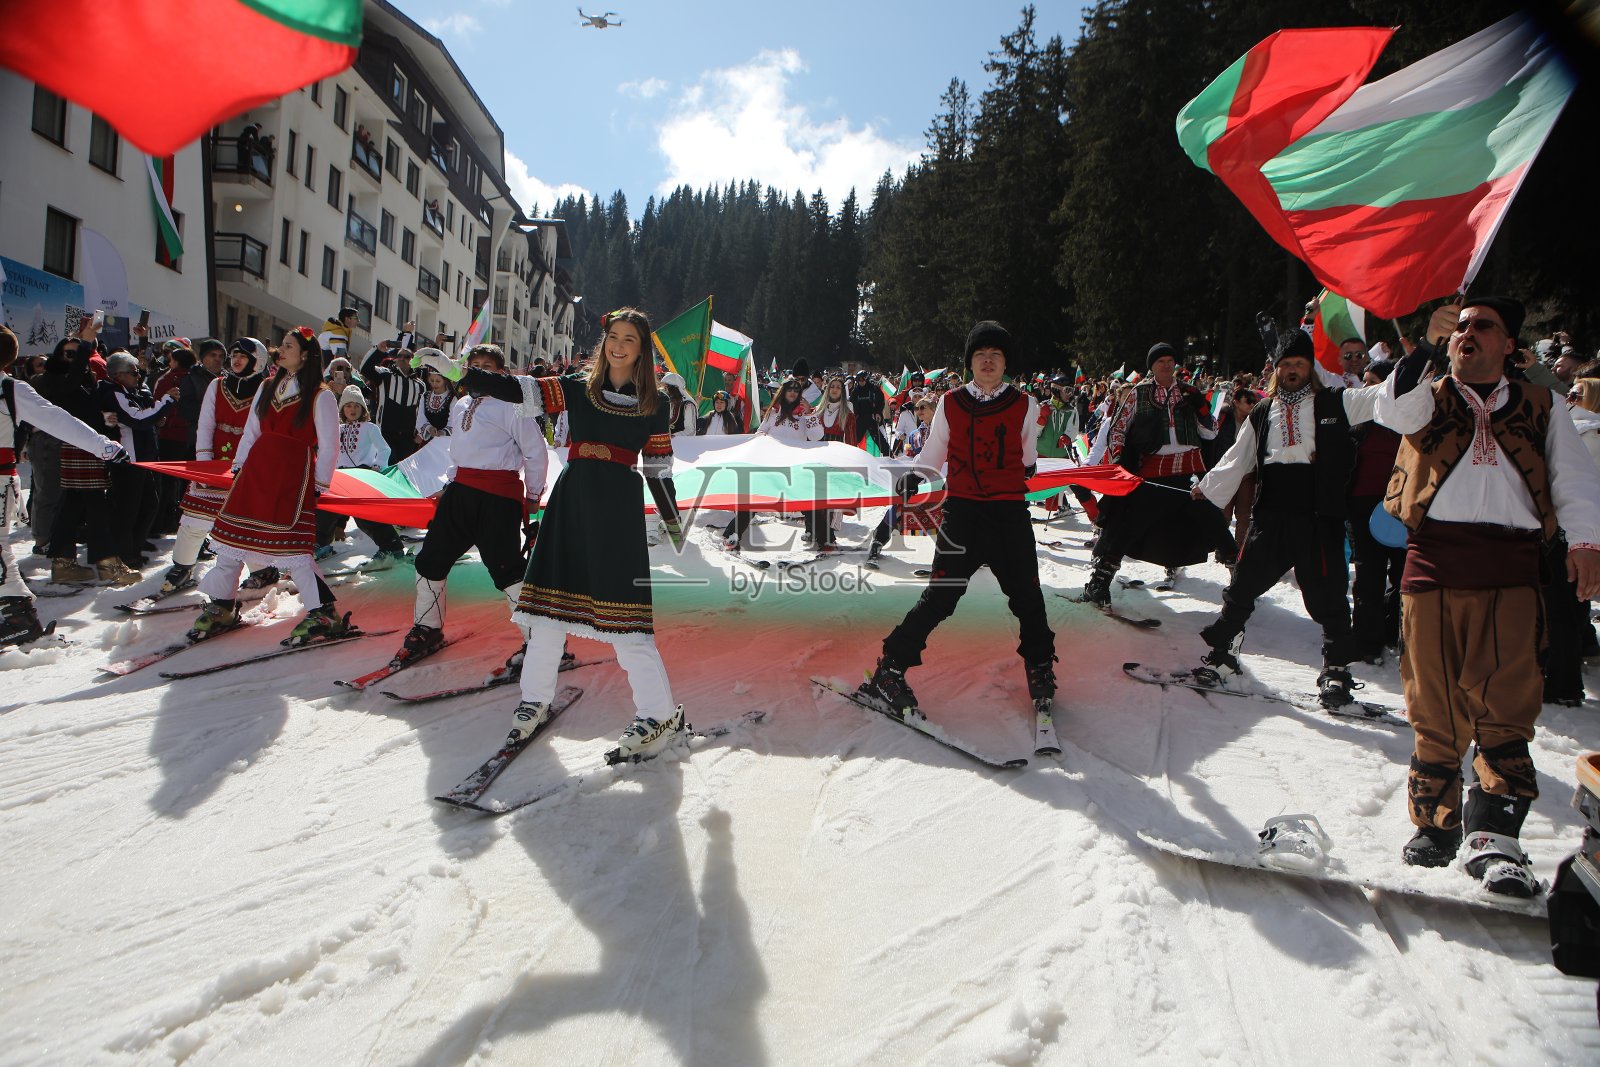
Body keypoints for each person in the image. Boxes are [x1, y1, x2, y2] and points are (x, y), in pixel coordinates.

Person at [1376, 297, 1600, 895]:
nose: (1468, 333)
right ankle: (1437, 824)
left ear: (1509, 345)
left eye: (1483, 326)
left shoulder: (1542, 404)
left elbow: (1573, 478)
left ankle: (1495, 833)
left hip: (1511, 570)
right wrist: (1424, 345)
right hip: (1432, 567)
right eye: (1462, 326)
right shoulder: (1427, 392)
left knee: (1506, 701)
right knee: (1434, 699)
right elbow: (1391, 410)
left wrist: (1585, 543)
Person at [440, 308, 689, 761]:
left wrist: (674, 524)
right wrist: (463, 372)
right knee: (546, 614)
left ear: (642, 348)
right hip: (572, 503)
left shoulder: (657, 405)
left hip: (617, 512)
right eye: (613, 336)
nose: (618, 345)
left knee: (626, 621)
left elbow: (659, 469)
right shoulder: (578, 387)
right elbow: (516, 388)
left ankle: (659, 714)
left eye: (629, 339)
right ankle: (534, 699)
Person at [861, 322, 1057, 718]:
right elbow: (933, 453)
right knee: (941, 596)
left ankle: (1040, 667)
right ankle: (890, 669)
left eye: (996, 355)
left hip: (1009, 516)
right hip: (963, 514)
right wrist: (913, 480)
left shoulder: (1025, 404)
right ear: (970, 363)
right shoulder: (950, 402)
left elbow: (1029, 460)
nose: (988, 360)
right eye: (981, 354)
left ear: (1005, 363)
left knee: (1028, 597)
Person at [1187, 330, 1384, 707]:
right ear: (1277, 370)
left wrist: (1421, 355)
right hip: (1271, 514)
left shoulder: (1336, 402)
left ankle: (1337, 672)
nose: (1292, 370)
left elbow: (1383, 397)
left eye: (1299, 363)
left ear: (1310, 367)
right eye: (1286, 365)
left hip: (1318, 517)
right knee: (1243, 586)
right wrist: (1208, 488)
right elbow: (1239, 456)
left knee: (1328, 596)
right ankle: (1224, 655)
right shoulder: (1263, 411)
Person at [190, 327, 348, 646]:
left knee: (293, 546)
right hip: (257, 468)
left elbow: (330, 444)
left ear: (305, 354)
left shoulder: (321, 395)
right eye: (281, 346)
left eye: (288, 346)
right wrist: (239, 466)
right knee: (232, 536)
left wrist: (321, 484)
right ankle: (222, 604)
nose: (281, 350)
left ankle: (323, 611)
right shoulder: (266, 386)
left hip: (293, 472)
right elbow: (251, 431)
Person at [392, 344, 547, 669]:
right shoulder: (461, 404)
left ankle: (542, 644)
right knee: (430, 559)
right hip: (459, 493)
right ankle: (427, 628)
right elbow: (457, 448)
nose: (479, 371)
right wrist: (449, 483)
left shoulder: (513, 404)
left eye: (487, 366)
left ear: (501, 373)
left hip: (498, 496)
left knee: (506, 568)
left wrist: (532, 494)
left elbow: (536, 452)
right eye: (473, 365)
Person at [0, 326, 125, 644]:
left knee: (1, 551)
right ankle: (18, 613)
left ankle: (20, 616)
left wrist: (104, 446)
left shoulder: (10, 389)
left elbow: (57, 419)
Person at [1082, 343, 1230, 607]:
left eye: (1170, 360)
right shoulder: (1139, 393)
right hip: (1153, 473)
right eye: (1160, 361)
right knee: (1128, 526)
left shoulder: (1191, 392)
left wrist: (1203, 409)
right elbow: (1117, 429)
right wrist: (1119, 464)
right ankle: (1099, 582)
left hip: (1188, 474)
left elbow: (1211, 433)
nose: (1166, 365)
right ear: (1151, 366)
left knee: (1215, 523)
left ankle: (1240, 582)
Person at [162, 338, 272, 594]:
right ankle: (183, 565)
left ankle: (262, 569)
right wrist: (204, 463)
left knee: (246, 520)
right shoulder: (217, 385)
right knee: (195, 516)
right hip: (214, 462)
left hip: (248, 463)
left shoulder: (267, 389)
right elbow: (206, 424)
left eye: (243, 356)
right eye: (233, 354)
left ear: (257, 361)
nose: (235, 360)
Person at [1345, 359, 1406, 663]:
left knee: (1402, 575)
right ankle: (1366, 641)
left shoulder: (1409, 419)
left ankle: (1394, 633)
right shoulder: (1358, 420)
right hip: (1361, 506)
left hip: (1400, 506)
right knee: (1368, 575)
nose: (1366, 386)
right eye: (1365, 381)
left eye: (1373, 380)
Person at [723, 379, 822, 551]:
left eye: (796, 390)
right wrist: (762, 440)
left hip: (795, 465)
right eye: (789, 389)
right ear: (783, 391)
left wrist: (810, 414)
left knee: (806, 502)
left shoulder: (804, 413)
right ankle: (731, 534)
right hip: (772, 463)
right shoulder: (774, 411)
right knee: (754, 500)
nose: (793, 392)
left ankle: (825, 538)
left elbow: (817, 437)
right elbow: (762, 430)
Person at [100, 352, 178, 570]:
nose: (138, 376)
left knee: (149, 503)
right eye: (133, 372)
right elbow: (137, 418)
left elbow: (147, 414)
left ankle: (135, 544)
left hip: (144, 458)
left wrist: (158, 414)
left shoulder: (132, 390)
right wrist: (167, 400)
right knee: (128, 508)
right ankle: (125, 553)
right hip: (128, 460)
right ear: (118, 375)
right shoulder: (113, 392)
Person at [315, 386, 407, 569]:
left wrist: (376, 467)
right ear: (342, 409)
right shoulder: (337, 429)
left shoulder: (369, 428)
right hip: (339, 477)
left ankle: (392, 547)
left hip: (362, 475)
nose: (352, 409)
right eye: (348, 405)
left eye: (357, 406)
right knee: (325, 511)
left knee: (366, 516)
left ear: (363, 409)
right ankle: (322, 545)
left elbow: (384, 449)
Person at [362, 342, 425, 462]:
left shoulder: (420, 385)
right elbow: (365, 369)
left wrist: (421, 433)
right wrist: (378, 350)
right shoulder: (384, 375)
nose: (402, 358)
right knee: (385, 469)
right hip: (385, 434)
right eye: (399, 355)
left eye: (406, 356)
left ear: (413, 361)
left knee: (402, 473)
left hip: (407, 438)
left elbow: (421, 412)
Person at [415, 366, 455, 445]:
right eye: (432, 380)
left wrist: (442, 432)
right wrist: (429, 428)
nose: (434, 384)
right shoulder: (425, 395)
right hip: (428, 442)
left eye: (438, 381)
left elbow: (453, 421)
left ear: (445, 381)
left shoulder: (452, 398)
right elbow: (420, 417)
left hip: (445, 443)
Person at [660, 372, 699, 438]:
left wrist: (674, 436)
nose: (664, 391)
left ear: (675, 389)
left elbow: (691, 430)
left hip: (681, 445)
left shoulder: (688, 406)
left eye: (666, 388)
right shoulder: (665, 403)